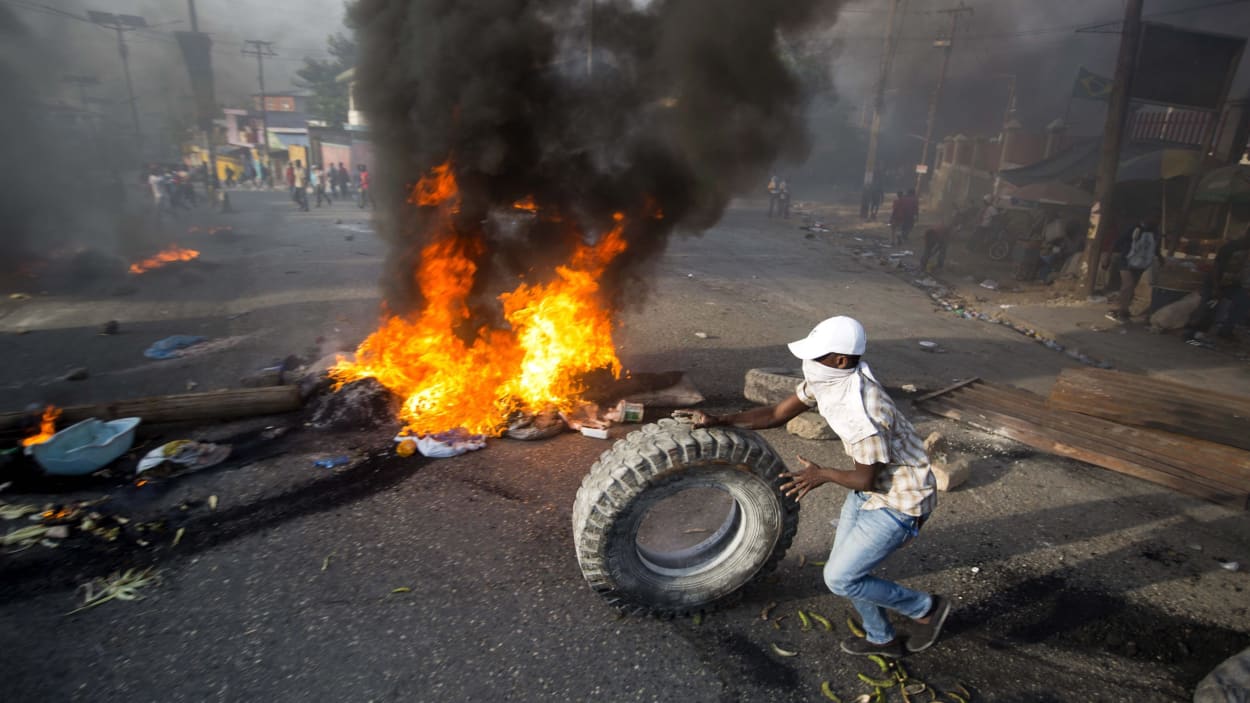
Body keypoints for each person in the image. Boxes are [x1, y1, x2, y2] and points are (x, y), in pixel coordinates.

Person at [677, 316, 947, 658]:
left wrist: (821, 474)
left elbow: (867, 478)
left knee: (841, 578)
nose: (808, 364)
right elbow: (776, 413)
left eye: (816, 356)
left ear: (841, 360)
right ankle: (882, 638)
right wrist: (721, 419)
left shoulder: (864, 409)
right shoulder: (828, 378)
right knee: (850, 571)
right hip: (870, 491)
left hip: (900, 501)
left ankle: (926, 608)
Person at [1185, 226, 1250, 344]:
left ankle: (1226, 331)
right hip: (1216, 281)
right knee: (1210, 306)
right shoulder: (1230, 247)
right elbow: (1216, 267)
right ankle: (1193, 332)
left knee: (1243, 303)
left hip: (1234, 284)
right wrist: (1216, 287)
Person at [1106, 214, 1164, 323]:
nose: (1157, 221)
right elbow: (1117, 242)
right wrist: (1107, 257)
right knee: (1127, 285)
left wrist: (1160, 258)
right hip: (1126, 261)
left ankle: (1124, 310)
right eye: (1156, 217)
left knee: (1132, 288)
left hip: (1141, 264)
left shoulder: (1155, 232)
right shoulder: (1134, 228)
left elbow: (1155, 247)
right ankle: (1117, 310)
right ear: (1148, 216)